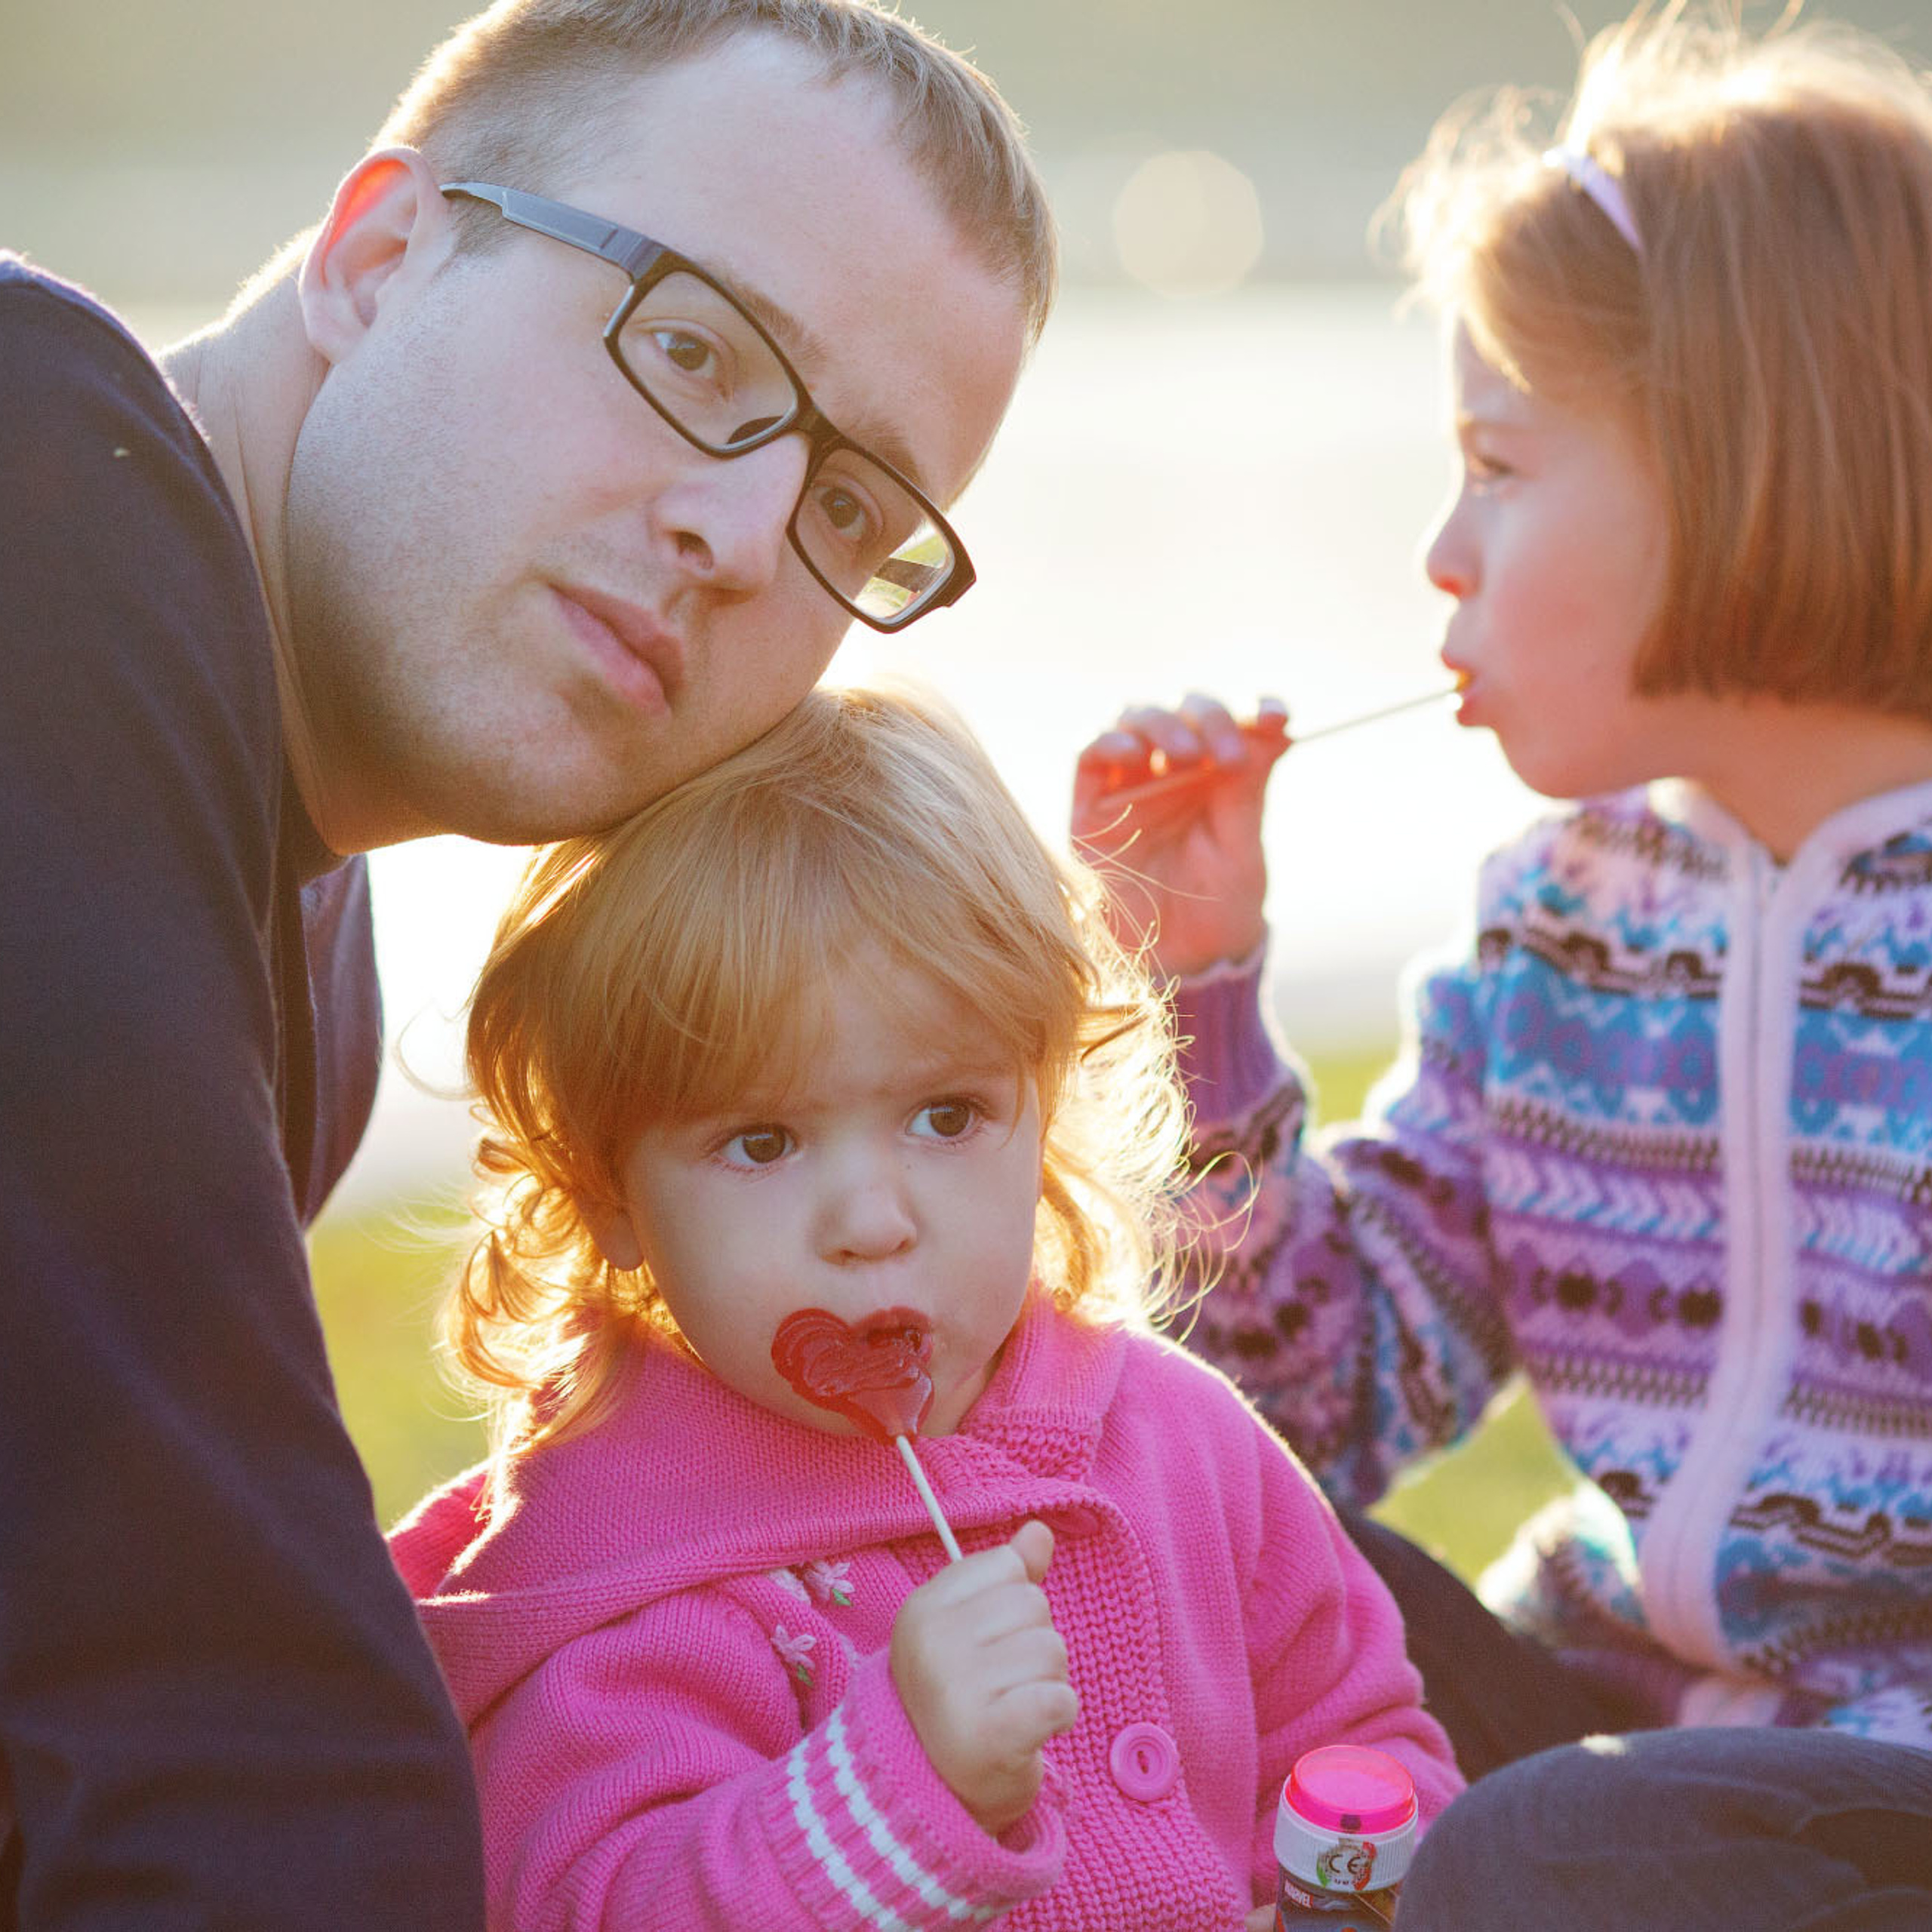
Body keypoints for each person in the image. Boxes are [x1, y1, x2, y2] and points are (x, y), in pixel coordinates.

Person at [0, 0, 1052, 1920]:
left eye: (849, 508)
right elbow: (237, 1741)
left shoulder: (299, 949)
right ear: (378, 255)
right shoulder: (33, 485)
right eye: (691, 348)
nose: (742, 536)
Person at [1072, 5, 1932, 1924]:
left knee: (1545, 1842)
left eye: (1496, 462)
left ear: (1738, 458)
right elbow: (1307, 1405)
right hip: (1608, 1724)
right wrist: (1194, 997)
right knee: (1199, 1563)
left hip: (1887, 1790)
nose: (1440, 552)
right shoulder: (1566, 918)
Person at [386, 681, 1461, 1930]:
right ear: (608, 1193)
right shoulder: (624, 1577)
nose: (871, 1221)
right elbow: (601, 1904)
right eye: (762, 1141)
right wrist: (891, 1793)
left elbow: (1365, 1742)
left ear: (1043, 1111)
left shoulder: (1180, 1445)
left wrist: (1349, 1891)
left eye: (947, 1117)